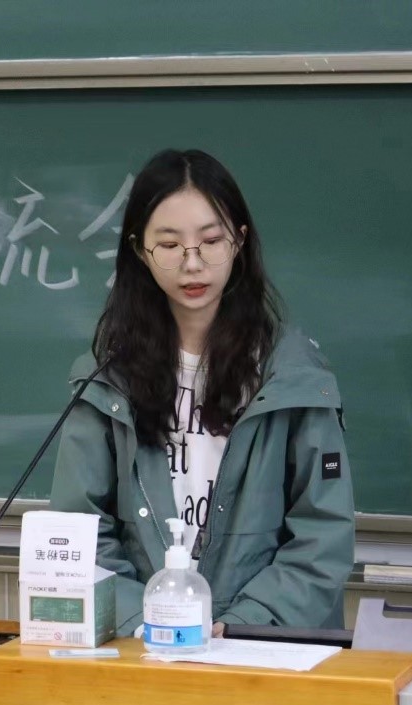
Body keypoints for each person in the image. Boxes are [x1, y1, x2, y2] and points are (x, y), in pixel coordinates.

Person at [49, 149, 355, 638]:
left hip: (263, 647)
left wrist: (240, 626)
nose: (192, 264)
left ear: (239, 241)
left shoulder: (294, 376)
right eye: (170, 245)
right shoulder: (107, 378)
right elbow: (77, 534)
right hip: (145, 649)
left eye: (211, 241)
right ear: (139, 251)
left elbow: (322, 536)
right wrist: (149, 622)